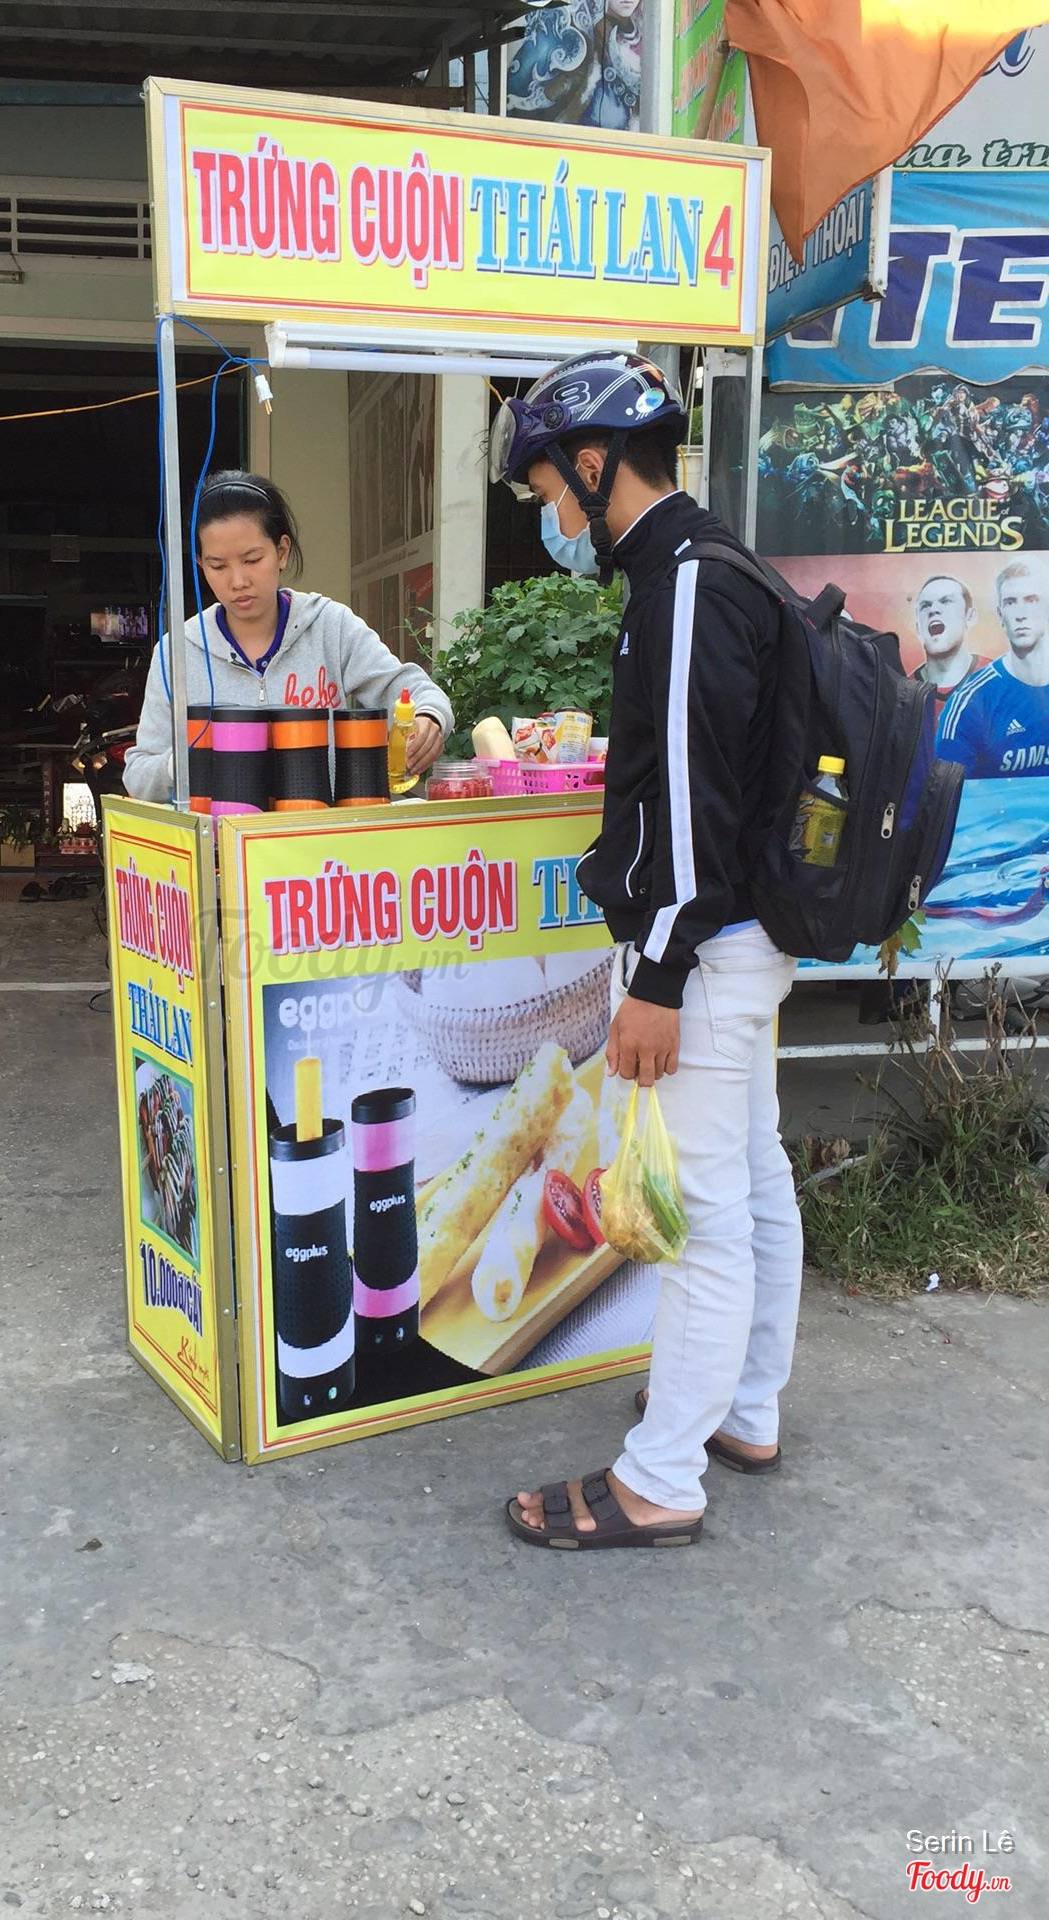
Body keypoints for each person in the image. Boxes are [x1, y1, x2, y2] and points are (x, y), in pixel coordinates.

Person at [489, 350, 799, 1551]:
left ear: (593, 463)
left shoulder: (684, 585)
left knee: (706, 1218)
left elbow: (689, 806)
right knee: (753, 1176)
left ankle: (662, 1477)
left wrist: (658, 977)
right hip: (747, 941)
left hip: (704, 957)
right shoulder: (715, 565)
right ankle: (745, 1410)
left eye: (547, 491)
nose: (552, 517)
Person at [123, 471, 452, 801]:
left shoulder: (330, 626)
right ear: (200, 564)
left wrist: (428, 718)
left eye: (252, 560)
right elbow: (138, 775)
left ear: (281, 552)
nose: (238, 581)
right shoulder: (177, 652)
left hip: (325, 832)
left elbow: (413, 691)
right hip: (224, 834)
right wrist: (186, 762)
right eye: (218, 566)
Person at [939, 559, 1049, 777]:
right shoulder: (970, 703)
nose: (1020, 614)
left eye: (1031, 600)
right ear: (1000, 615)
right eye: (1010, 602)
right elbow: (943, 791)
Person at [911, 574, 986, 719]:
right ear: (918, 627)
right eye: (925, 606)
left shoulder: (998, 681)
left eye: (946, 601)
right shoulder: (902, 695)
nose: (933, 610)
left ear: (970, 617)